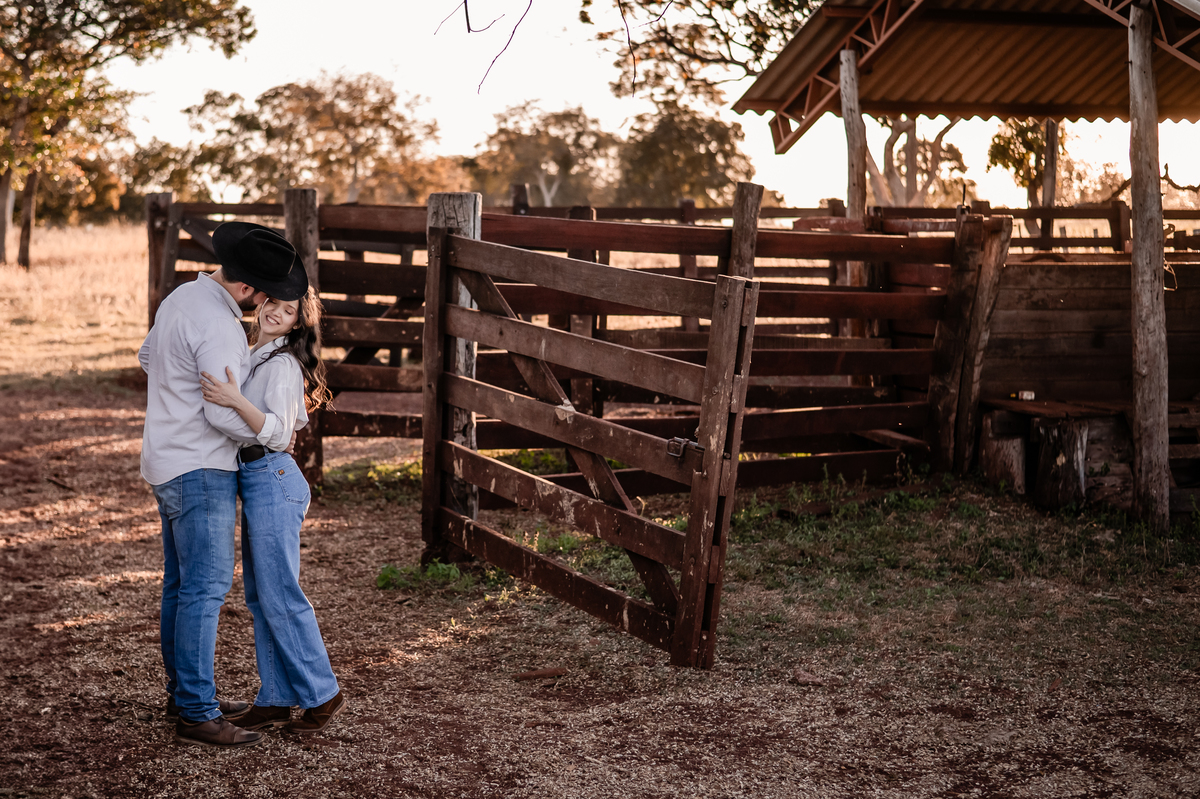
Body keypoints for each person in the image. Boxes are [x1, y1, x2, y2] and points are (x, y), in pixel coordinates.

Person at [140, 221, 307, 747]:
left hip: (166, 458)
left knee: (180, 585)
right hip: (201, 468)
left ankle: (183, 694)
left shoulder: (181, 297)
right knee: (205, 590)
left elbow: (147, 357)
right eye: (264, 294)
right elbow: (220, 414)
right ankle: (196, 712)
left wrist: (178, 395)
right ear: (247, 287)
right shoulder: (220, 325)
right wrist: (274, 434)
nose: (263, 305)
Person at [199, 282, 346, 735]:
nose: (276, 313)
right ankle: (276, 698)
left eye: (289, 310)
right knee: (262, 598)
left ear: (299, 322)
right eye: (273, 304)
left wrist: (235, 400)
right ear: (261, 303)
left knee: (280, 593)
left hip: (273, 477)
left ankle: (323, 693)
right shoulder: (256, 355)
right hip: (254, 476)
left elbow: (281, 434)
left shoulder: (281, 364)